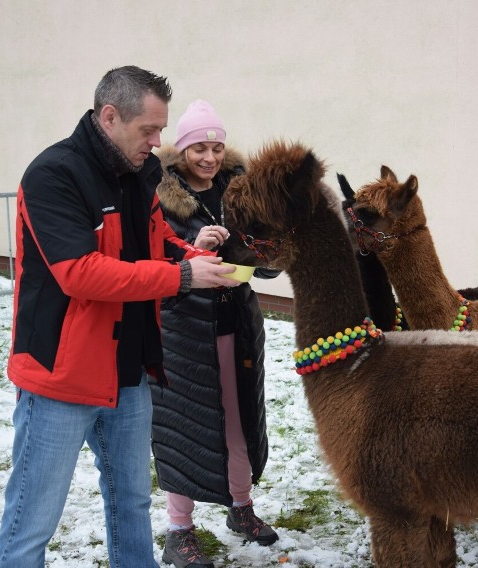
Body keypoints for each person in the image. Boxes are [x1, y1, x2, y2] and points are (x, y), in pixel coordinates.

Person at [0, 67, 240, 568]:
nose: (158, 141)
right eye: (149, 129)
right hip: (60, 380)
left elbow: (153, 241)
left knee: (132, 504)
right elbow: (80, 274)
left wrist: (188, 256)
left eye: (161, 129)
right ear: (110, 116)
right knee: (31, 522)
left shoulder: (139, 172)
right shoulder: (53, 174)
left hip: (128, 376)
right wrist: (180, 279)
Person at [152, 100, 280, 568]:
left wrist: (263, 251)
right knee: (185, 427)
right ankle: (179, 530)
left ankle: (240, 508)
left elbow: (263, 263)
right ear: (182, 149)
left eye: (216, 147)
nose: (208, 157)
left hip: (237, 326)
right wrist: (194, 248)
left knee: (241, 419)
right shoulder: (160, 194)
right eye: (198, 148)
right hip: (184, 333)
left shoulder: (240, 189)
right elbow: (154, 267)